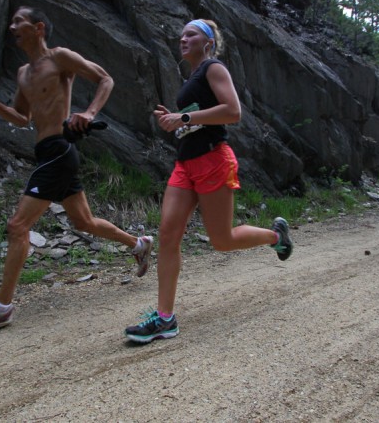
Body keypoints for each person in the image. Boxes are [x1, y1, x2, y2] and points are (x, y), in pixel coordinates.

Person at [0, 6, 153, 332]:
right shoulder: (22, 73)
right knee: (83, 221)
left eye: (20, 21)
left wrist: (88, 112)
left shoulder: (59, 58)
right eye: (12, 21)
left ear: (38, 28)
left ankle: (0, 307)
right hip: (45, 151)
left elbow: (105, 78)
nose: (12, 26)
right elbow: (22, 118)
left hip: (60, 149)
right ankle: (139, 243)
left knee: (18, 225)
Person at [124, 19, 293, 344]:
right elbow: (198, 120)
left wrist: (184, 117)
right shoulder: (191, 79)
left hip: (214, 160)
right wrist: (175, 122)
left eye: (191, 34)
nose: (182, 38)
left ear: (209, 42)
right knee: (168, 235)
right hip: (185, 164)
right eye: (182, 34)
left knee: (222, 240)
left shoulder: (214, 68)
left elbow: (232, 111)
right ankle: (164, 318)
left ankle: (276, 236)